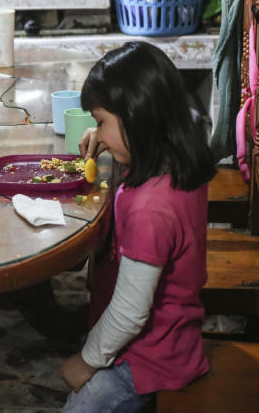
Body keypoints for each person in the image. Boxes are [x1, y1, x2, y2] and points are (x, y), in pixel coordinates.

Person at [60, 41, 215, 412]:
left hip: (146, 358)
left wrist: (87, 359)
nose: (97, 131)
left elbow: (129, 313)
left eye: (100, 121)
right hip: (169, 333)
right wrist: (112, 145)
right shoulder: (169, 163)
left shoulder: (152, 210)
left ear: (136, 116)